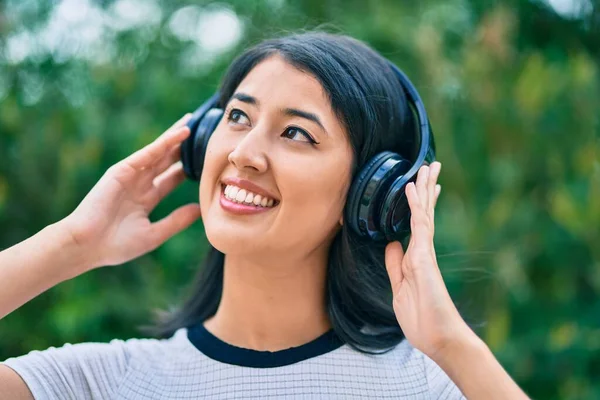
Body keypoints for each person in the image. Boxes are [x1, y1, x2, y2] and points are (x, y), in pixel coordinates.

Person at [0, 32, 529, 399]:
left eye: (296, 132)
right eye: (237, 117)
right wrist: (71, 244)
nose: (244, 152)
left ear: (371, 192)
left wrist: (451, 346)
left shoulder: (425, 387)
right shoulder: (108, 383)